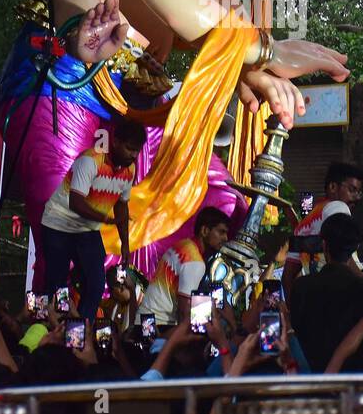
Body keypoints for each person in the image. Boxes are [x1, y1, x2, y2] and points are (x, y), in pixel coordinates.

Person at [40, 119, 145, 315]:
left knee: (96, 284)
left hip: (86, 230)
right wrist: (105, 220)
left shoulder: (130, 170)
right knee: (57, 287)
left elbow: (122, 205)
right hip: (57, 226)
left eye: (137, 150)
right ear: (115, 142)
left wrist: (125, 244)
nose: (133, 155)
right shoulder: (90, 161)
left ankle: (82, 330)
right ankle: (55, 330)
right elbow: (76, 203)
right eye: (130, 148)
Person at [287, 212, 363, 373]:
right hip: (355, 384)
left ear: (324, 245)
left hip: (310, 382)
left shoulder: (302, 287)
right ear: (355, 248)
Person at [140, 207, 230, 332]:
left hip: (145, 321)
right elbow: (185, 312)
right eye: (221, 232)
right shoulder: (195, 261)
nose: (225, 238)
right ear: (204, 230)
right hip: (159, 325)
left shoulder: (183, 245)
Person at [282, 162, 363, 293]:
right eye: (352, 190)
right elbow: (344, 257)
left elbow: (288, 276)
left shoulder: (303, 225)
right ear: (333, 187)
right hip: (340, 295)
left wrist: (294, 308)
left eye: (359, 193)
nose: (356, 198)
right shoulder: (338, 207)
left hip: (316, 299)